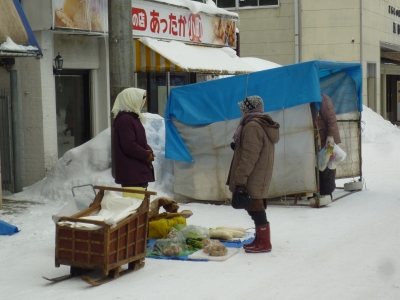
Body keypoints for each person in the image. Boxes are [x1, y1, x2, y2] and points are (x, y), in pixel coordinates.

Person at [227, 95, 280, 253]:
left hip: (253, 175)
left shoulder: (252, 126)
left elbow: (249, 157)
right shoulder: (260, 123)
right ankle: (260, 238)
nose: (241, 111)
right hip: (259, 173)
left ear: (249, 109)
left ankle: (264, 242)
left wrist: (240, 178)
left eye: (243, 108)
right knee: (255, 208)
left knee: (256, 208)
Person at [112, 88, 155, 197]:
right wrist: (146, 156)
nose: (143, 103)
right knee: (135, 208)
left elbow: (140, 141)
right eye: (142, 99)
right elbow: (129, 145)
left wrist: (148, 150)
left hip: (138, 172)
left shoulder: (133, 118)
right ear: (131, 100)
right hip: (132, 173)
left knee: (141, 207)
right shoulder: (125, 119)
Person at [310, 93, 341, 207]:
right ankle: (319, 191)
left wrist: (330, 136)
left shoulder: (323, 99)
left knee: (327, 166)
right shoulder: (310, 99)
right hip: (317, 139)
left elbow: (331, 119)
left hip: (326, 140)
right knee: (319, 166)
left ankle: (327, 193)